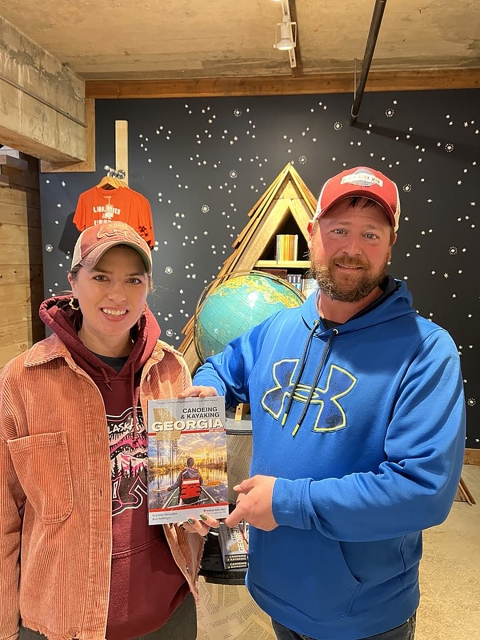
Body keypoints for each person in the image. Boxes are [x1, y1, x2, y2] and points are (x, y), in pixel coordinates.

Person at [180, 166, 466, 640]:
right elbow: (220, 368)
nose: (352, 249)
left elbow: (423, 491)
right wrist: (209, 389)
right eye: (339, 230)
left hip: (363, 616)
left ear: (390, 244)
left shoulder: (427, 350)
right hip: (273, 592)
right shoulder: (278, 327)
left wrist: (290, 501)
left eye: (370, 234)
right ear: (313, 233)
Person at [0, 220, 217, 640]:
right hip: (61, 623)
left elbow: (186, 500)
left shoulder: (172, 370)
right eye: (101, 277)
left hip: (168, 617)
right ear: (73, 283)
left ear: (148, 287)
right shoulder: (22, 380)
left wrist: (199, 507)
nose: (117, 295)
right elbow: (4, 516)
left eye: (133, 280)